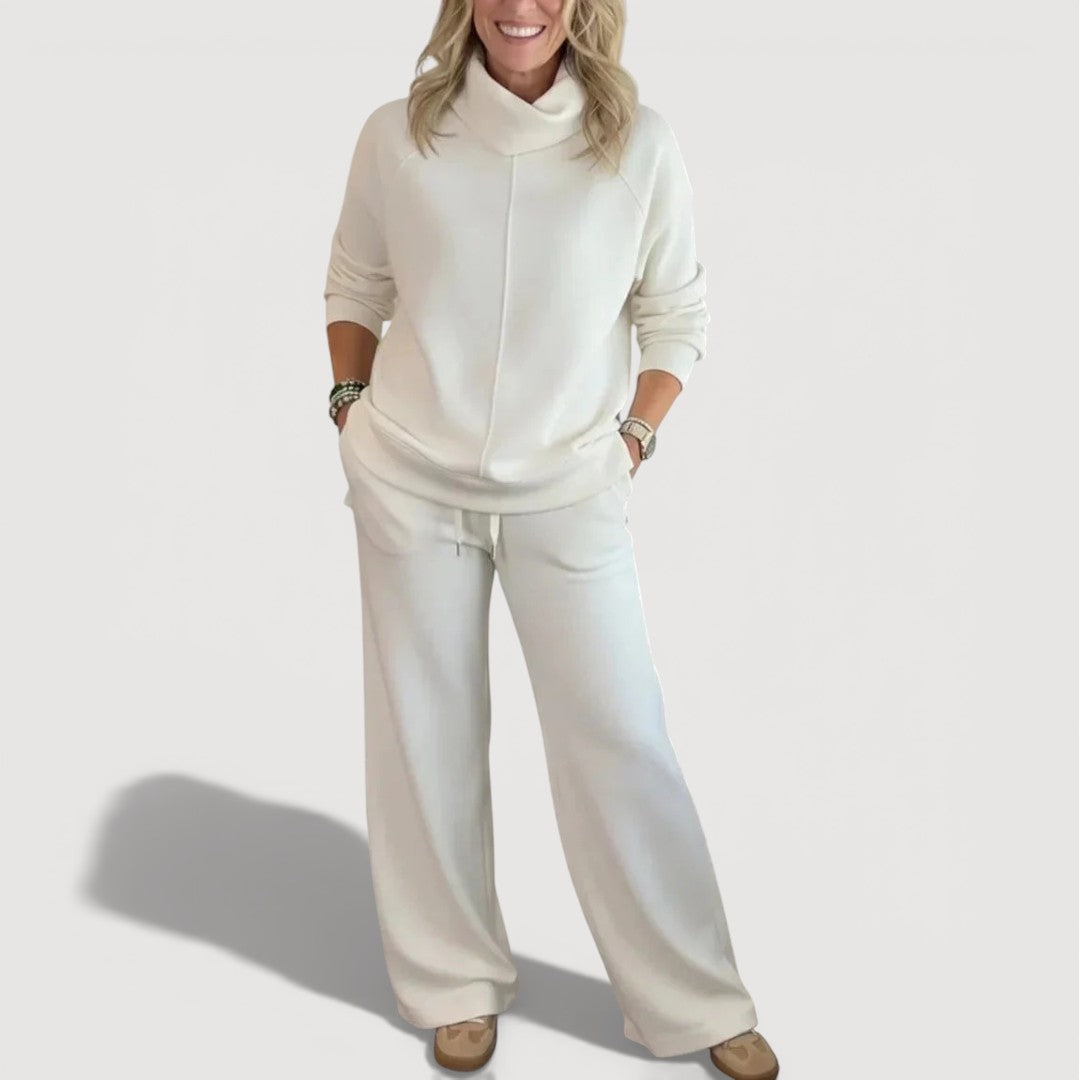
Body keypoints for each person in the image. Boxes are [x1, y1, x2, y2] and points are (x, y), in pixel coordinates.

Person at [322, 3, 779, 1077]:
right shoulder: (398, 135)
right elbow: (356, 284)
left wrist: (632, 441)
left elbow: (677, 316)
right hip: (411, 481)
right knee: (425, 737)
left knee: (618, 736)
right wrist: (350, 410)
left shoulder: (638, 145)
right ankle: (452, 982)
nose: (520, 6)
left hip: (570, 486)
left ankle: (695, 997)